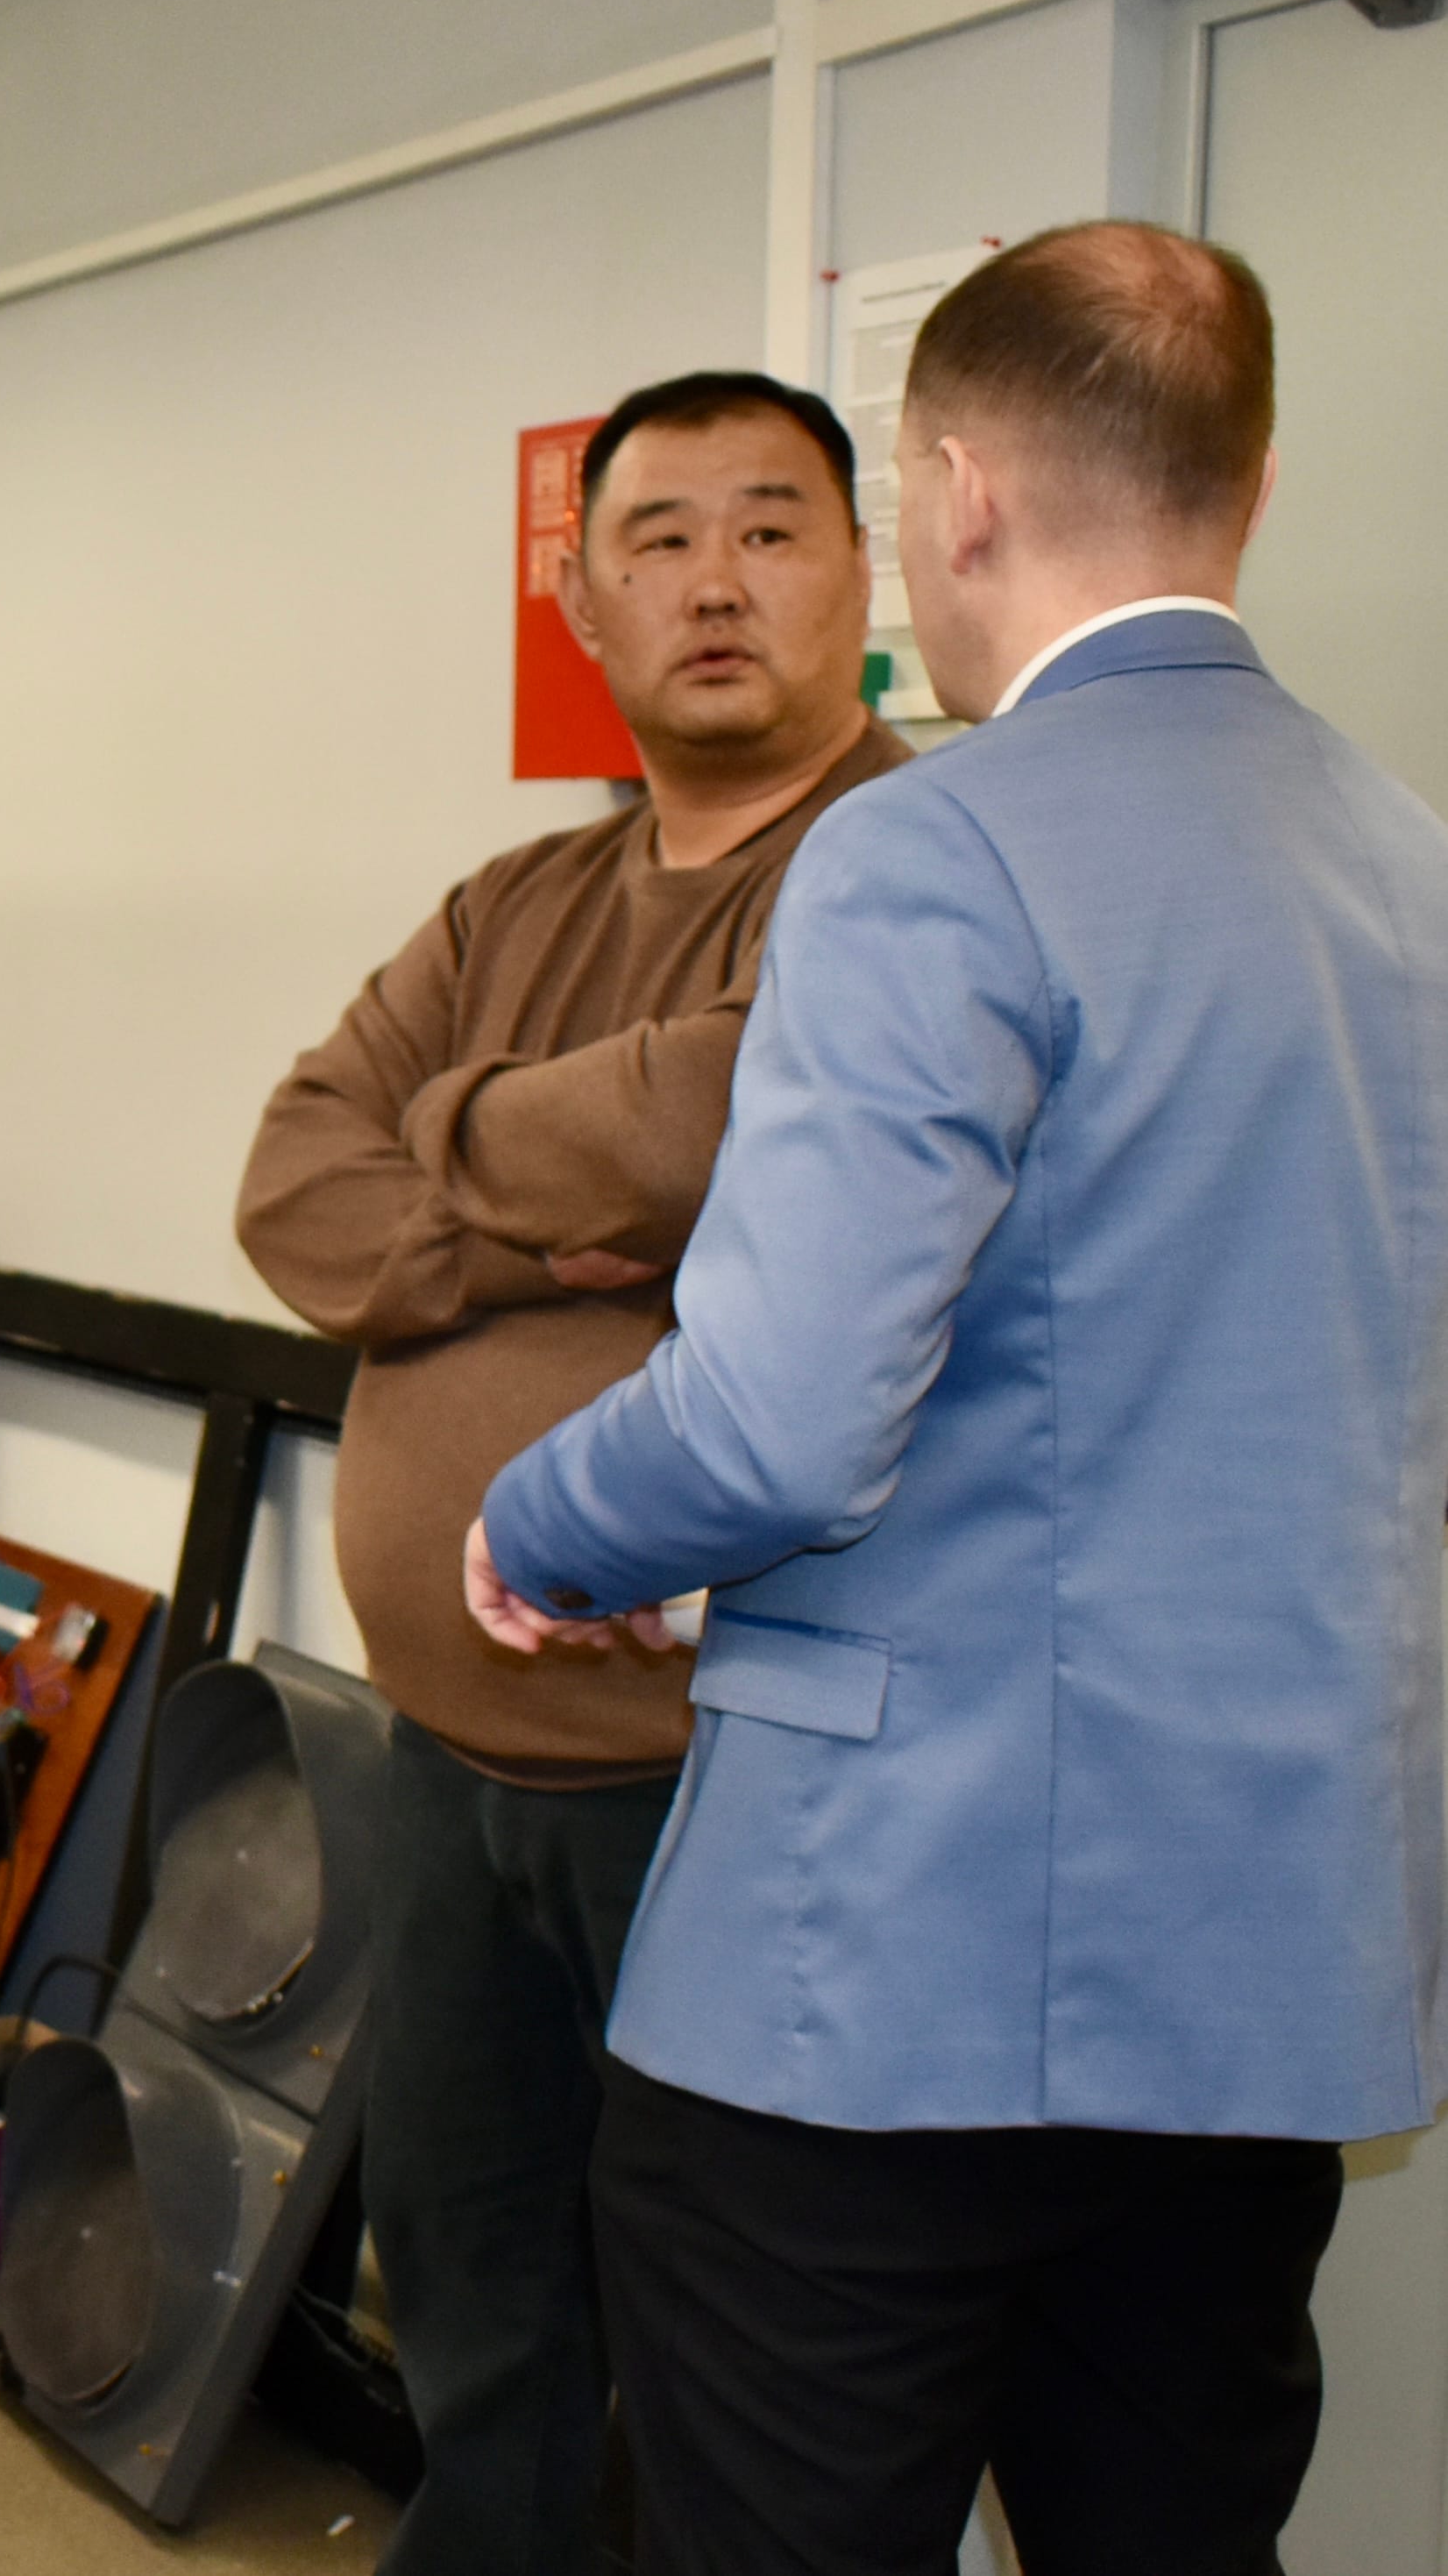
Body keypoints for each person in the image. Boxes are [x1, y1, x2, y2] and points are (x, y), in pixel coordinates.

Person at [469, 224, 1448, 2572]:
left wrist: (544, 1523)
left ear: (952, 493)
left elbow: (781, 1423)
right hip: (1256, 1968)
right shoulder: (1407, 868)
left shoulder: (929, 852)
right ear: (1248, 480)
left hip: (872, 1982)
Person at [236, 370, 902, 2572]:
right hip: (453, 1762)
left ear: (864, 576)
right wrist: (547, 1223)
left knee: (731, 2352)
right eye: (659, 540)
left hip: (724, 1772)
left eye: (772, 530)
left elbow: (712, 1123)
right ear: (584, 604)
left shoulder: (903, 874)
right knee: (474, 2302)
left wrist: (456, 1136)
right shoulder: (512, 902)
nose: (716, 582)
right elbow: (293, 1179)